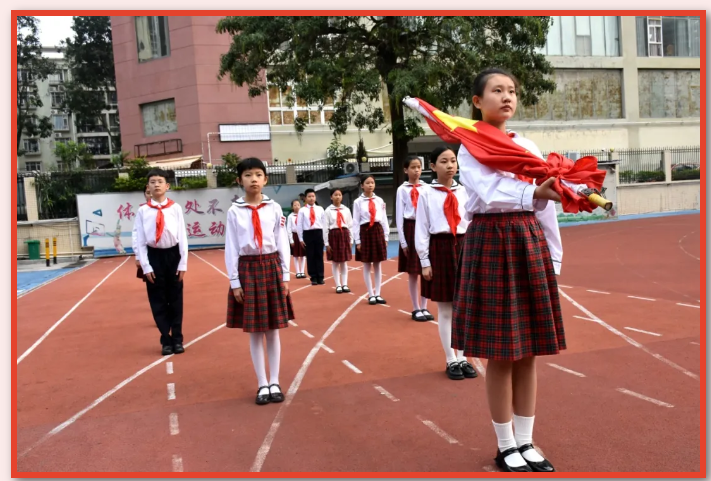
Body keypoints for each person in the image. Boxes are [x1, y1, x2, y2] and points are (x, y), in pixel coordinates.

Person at [452, 68, 591, 472]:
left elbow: (545, 206)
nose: (507, 96)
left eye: (511, 90)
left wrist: (553, 256)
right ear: (477, 101)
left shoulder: (526, 145)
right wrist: (535, 191)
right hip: (492, 241)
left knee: (529, 351)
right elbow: (489, 194)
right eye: (497, 90)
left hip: (528, 242)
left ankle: (527, 440)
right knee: (501, 352)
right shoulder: (469, 145)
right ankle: (505, 444)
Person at [224, 157, 294, 405]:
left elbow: (282, 241)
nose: (253, 179)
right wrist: (235, 282)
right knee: (255, 332)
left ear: (265, 179)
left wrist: (285, 276)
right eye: (247, 175)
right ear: (239, 180)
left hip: (271, 267)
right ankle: (262, 383)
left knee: (273, 331)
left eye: (258, 174)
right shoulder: (235, 211)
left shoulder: (274, 208)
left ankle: (275, 381)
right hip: (248, 270)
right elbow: (231, 247)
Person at [414, 147, 477, 381]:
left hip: (464, 246)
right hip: (439, 248)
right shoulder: (427, 193)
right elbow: (421, 228)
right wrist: (424, 261)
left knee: (464, 307)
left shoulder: (466, 191)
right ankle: (451, 359)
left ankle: (463, 357)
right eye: (443, 161)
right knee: (446, 309)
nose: (450, 165)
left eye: (453, 161)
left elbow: (472, 220)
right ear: (432, 166)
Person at [134, 170, 188, 356]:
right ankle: (165, 339)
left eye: (160, 181)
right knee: (157, 300)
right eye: (152, 182)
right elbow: (140, 240)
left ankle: (178, 338)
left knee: (176, 299)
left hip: (173, 255)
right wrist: (145, 265)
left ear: (167, 186)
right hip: (153, 255)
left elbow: (182, 236)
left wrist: (183, 263)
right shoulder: (143, 211)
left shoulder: (175, 208)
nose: (156, 184)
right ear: (148, 187)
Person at [395, 155, 431, 321]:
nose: (416, 170)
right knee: (413, 273)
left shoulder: (427, 188)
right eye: (413, 167)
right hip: (410, 228)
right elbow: (399, 216)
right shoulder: (402, 190)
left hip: (425, 229)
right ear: (405, 170)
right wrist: (403, 241)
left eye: (419, 167)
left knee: (427, 270)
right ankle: (415, 308)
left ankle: (425, 307)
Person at [352, 175, 389, 305]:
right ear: (362, 185)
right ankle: (370, 294)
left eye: (372, 183)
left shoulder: (379, 200)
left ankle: (378, 293)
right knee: (367, 264)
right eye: (367, 183)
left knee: (378, 264)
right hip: (365, 232)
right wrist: (358, 241)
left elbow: (383, 219)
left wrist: (386, 236)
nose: (370, 185)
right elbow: (355, 222)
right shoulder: (358, 202)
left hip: (377, 230)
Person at [323, 188, 353, 293]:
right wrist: (326, 243)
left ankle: (345, 284)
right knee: (335, 262)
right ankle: (338, 285)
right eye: (335, 195)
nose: (338, 197)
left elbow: (350, 225)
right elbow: (325, 228)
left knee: (344, 262)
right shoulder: (328, 211)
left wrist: (351, 239)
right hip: (334, 235)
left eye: (340, 195)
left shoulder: (346, 210)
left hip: (344, 235)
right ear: (331, 197)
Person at [296, 189, 326, 286]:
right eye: (309, 196)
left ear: (315, 197)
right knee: (310, 256)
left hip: (318, 232)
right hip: (308, 233)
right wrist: (300, 238)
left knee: (319, 255)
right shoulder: (302, 210)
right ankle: (313, 277)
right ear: (305, 198)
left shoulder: (320, 209)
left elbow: (324, 224)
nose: (311, 198)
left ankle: (320, 276)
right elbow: (299, 225)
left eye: (313, 196)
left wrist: (325, 237)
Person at [286, 199, 307, 279]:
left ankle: (302, 271)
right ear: (292, 207)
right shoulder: (290, 216)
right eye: (295, 205)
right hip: (294, 236)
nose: (297, 206)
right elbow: (289, 229)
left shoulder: (303, 215)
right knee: (295, 255)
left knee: (303, 255)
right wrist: (291, 240)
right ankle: (297, 272)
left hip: (302, 236)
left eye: (298, 205)